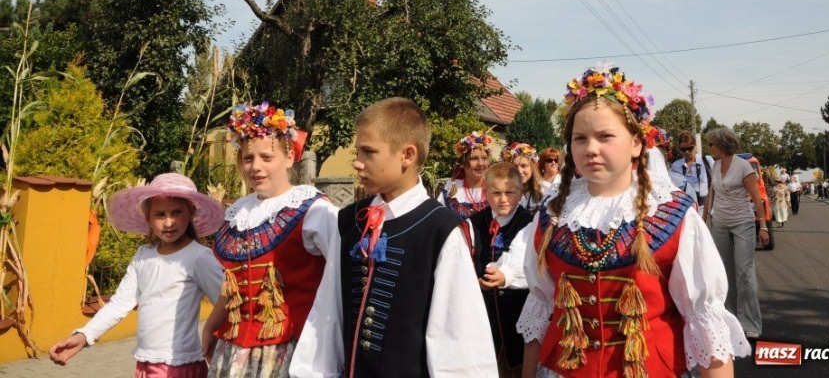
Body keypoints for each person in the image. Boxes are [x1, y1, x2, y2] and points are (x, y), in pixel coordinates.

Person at [517, 63, 749, 377]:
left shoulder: (674, 214)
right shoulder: (551, 216)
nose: (591, 149)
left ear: (636, 143)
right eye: (580, 138)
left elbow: (705, 323)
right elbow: (540, 310)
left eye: (605, 136)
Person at [290, 97, 496, 377]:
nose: (358, 164)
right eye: (358, 152)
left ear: (407, 155)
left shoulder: (440, 229)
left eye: (368, 152)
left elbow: (457, 338)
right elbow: (328, 314)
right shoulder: (350, 220)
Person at [203, 102, 339, 378]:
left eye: (267, 157)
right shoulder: (238, 213)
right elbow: (231, 288)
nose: (256, 167)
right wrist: (209, 327)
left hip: (288, 349)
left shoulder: (315, 211)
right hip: (233, 350)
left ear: (289, 157)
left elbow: (338, 281)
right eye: (248, 158)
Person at [50, 173, 225, 377]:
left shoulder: (199, 257)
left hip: (178, 366)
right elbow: (119, 304)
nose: (169, 222)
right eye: (160, 214)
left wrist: (216, 341)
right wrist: (84, 335)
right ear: (148, 217)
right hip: (145, 363)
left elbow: (226, 300)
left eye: (176, 212)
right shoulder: (143, 256)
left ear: (191, 212)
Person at [465, 162, 533, 376]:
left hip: (517, 315)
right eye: (496, 193)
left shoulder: (529, 222)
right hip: (482, 316)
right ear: (485, 192)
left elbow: (531, 266)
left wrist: (507, 276)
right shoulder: (473, 223)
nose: (503, 199)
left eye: (509, 192)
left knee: (514, 368)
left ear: (520, 192)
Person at [705, 126, 770, 340]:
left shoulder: (743, 167)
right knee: (723, 272)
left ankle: (750, 323)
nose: (710, 147)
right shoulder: (714, 166)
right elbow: (711, 195)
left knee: (744, 272)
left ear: (722, 145)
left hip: (742, 222)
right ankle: (729, 319)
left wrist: (762, 226)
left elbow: (756, 197)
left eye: (712, 144)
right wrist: (705, 220)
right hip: (720, 223)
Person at [437, 130, 493, 219]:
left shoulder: (494, 189)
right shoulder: (451, 190)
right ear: (462, 163)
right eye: (474, 158)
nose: (481, 164)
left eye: (484, 158)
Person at [668, 130, 710, 207]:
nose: (687, 152)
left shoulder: (707, 161)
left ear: (695, 146)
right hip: (686, 207)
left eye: (690, 148)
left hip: (706, 206)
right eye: (683, 149)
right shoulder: (676, 166)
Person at [502, 141, 544, 213]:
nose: (519, 171)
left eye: (523, 166)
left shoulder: (543, 191)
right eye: (515, 166)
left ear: (532, 168)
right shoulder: (502, 190)